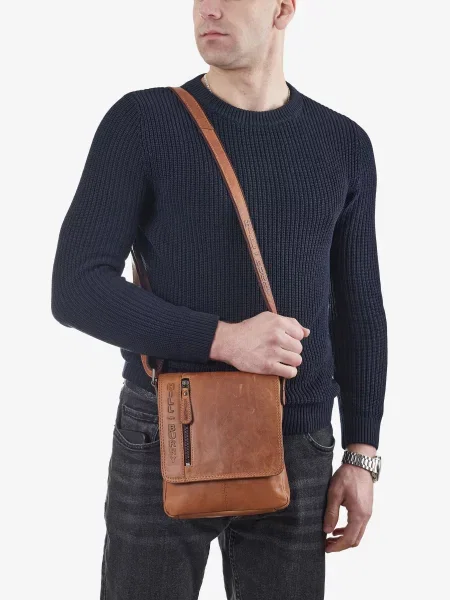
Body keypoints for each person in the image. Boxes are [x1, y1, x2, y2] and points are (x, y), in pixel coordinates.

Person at [51, 1, 388, 598]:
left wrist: (362, 453)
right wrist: (225, 340)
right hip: (166, 431)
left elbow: (358, 307)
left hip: (297, 438)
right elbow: (76, 287)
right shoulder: (143, 122)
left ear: (283, 8)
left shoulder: (343, 143)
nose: (208, 8)